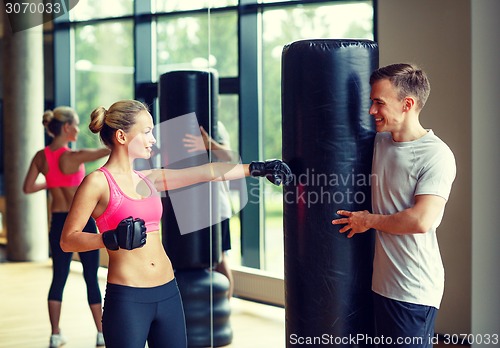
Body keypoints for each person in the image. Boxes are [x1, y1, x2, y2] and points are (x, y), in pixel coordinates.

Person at [60, 99, 292, 348]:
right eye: (147, 132)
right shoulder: (97, 183)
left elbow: (207, 172)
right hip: (128, 297)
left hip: (168, 291)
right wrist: (108, 238)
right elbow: (67, 239)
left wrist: (257, 168)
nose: (153, 139)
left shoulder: (148, 178)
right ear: (121, 136)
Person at [331, 63, 456, 347]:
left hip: (413, 289)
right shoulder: (379, 143)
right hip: (380, 284)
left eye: (379, 103)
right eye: (371, 102)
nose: (371, 111)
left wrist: (368, 221)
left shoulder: (436, 155)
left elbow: (420, 220)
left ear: (407, 104)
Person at [23, 106, 110, 348]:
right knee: (91, 278)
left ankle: (55, 334)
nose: (78, 128)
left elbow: (28, 187)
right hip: (80, 222)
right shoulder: (74, 155)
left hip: (58, 222)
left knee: (58, 278)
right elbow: (106, 150)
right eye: (77, 124)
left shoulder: (40, 157)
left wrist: (50, 182)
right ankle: (101, 333)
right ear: (66, 127)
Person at [183, 122, 236, 299]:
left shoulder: (216, 126)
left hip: (217, 207)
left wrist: (209, 144)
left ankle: (226, 307)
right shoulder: (179, 123)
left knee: (219, 259)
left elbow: (230, 156)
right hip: (192, 207)